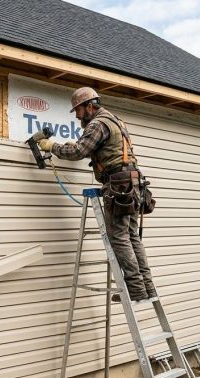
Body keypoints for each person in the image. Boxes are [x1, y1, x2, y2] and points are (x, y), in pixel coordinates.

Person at [36, 87, 155, 301]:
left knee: (119, 238)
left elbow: (78, 152)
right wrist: (76, 144)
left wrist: (52, 146)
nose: (77, 115)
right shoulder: (114, 120)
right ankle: (146, 287)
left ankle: (135, 289)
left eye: (78, 110)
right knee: (131, 236)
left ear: (89, 105)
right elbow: (101, 149)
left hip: (119, 184)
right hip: (133, 182)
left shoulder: (97, 124)